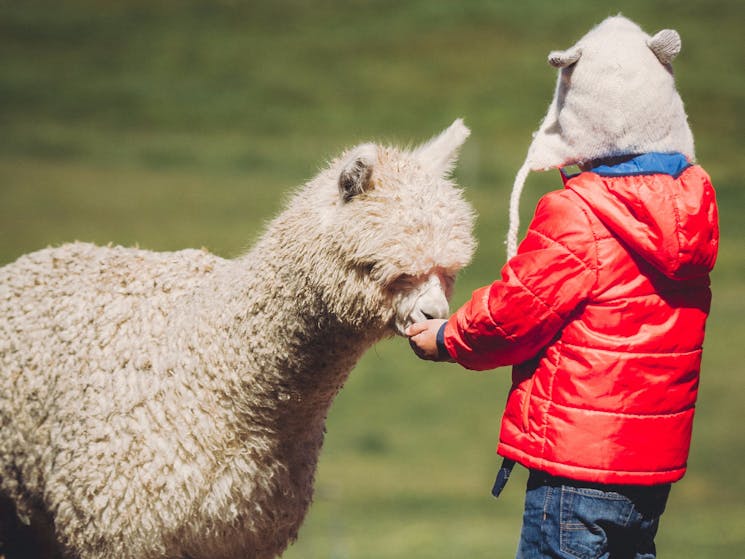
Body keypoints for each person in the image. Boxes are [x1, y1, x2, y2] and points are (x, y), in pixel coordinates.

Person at [406, 16, 719, 559]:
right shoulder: (694, 213)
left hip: (577, 468)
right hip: (649, 471)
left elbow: (513, 314)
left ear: (582, 119)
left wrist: (448, 337)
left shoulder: (577, 214)